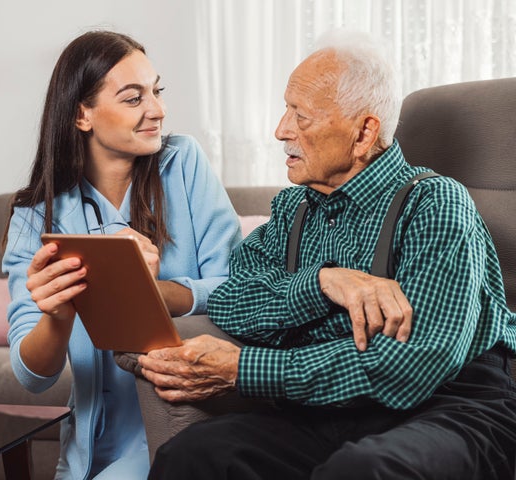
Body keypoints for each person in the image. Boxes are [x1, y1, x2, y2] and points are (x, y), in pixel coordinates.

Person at [138, 32, 516, 479]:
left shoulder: (434, 203)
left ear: (364, 133)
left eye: (300, 115)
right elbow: (231, 298)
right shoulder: (292, 209)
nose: (281, 130)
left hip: (450, 405)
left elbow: (415, 364)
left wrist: (247, 368)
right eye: (285, 109)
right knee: (191, 456)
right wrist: (322, 284)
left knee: (361, 469)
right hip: (329, 409)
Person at [2, 30, 241, 480]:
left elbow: (239, 290)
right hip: (84, 452)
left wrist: (150, 290)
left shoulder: (183, 164)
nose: (157, 110)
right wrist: (57, 313)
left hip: (177, 431)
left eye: (157, 91)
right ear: (82, 115)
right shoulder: (36, 216)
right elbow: (32, 376)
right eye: (134, 98)